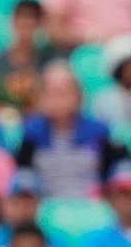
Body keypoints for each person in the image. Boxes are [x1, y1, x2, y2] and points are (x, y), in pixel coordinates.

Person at [18, 61, 127, 198]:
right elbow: (23, 176)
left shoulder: (100, 132)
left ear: (79, 96)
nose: (56, 100)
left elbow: (117, 174)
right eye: (49, 93)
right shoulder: (31, 134)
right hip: (45, 209)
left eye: (62, 93)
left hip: (95, 208)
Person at [0, 0, 57, 112]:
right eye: (22, 24)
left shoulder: (51, 65)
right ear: (13, 23)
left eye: (31, 24)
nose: (26, 31)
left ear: (40, 25)